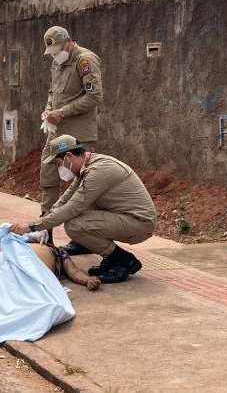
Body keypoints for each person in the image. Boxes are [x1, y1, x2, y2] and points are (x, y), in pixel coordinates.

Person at [9, 135, 157, 284]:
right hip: (124, 217)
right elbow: (65, 199)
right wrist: (45, 225)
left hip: (139, 224)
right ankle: (97, 250)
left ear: (68, 156)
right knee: (79, 209)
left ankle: (124, 260)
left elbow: (71, 209)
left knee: (74, 225)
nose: (58, 168)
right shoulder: (87, 167)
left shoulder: (98, 171)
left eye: (58, 163)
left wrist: (32, 227)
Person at [38, 26, 103, 256]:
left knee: (84, 187)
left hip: (78, 135)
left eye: (57, 49)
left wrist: (62, 112)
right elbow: (51, 91)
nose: (55, 54)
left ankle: (86, 239)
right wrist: (48, 110)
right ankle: (45, 232)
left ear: (69, 43)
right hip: (56, 132)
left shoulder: (85, 60)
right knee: (47, 176)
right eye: (51, 50)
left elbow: (95, 96)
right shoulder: (57, 61)